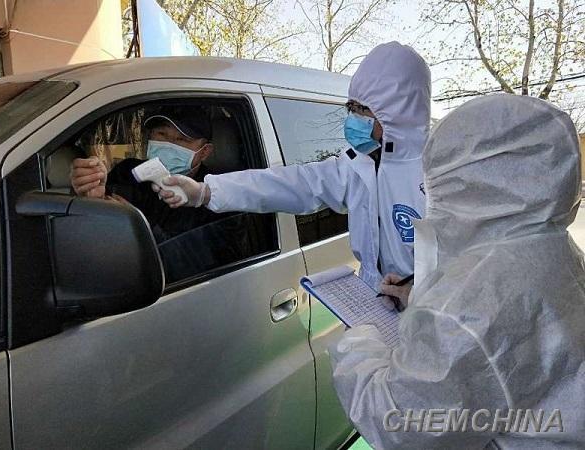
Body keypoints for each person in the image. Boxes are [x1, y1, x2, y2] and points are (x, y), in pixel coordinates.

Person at [330, 94, 585, 449]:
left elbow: (398, 424)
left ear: (470, 185)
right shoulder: (551, 246)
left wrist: (359, 339)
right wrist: (421, 298)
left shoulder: (471, 303)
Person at [154, 42, 432, 295]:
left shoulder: (436, 176)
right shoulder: (361, 163)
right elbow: (294, 183)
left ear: (398, 114)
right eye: (352, 107)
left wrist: (418, 297)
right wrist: (206, 191)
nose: (354, 118)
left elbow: (456, 270)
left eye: (363, 110)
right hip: (374, 302)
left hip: (423, 315)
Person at [70, 108, 219, 242]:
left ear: (204, 152)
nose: (169, 144)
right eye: (162, 134)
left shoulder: (212, 195)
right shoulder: (128, 171)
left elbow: (190, 257)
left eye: (182, 139)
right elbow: (93, 227)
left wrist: (137, 223)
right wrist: (93, 196)